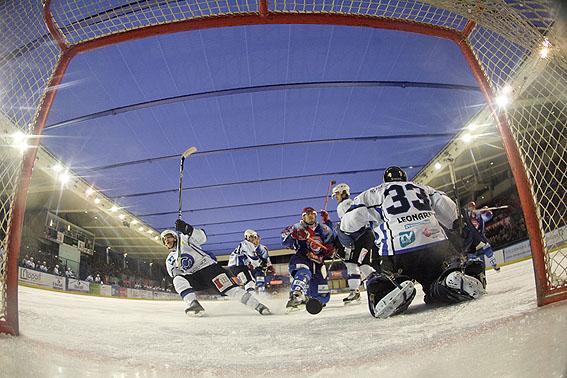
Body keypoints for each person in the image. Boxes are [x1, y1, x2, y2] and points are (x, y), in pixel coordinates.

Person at [340, 166, 485, 319]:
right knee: (436, 280)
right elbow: (449, 209)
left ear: (385, 181)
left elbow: (350, 221)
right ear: (405, 179)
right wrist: (455, 227)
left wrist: (346, 236)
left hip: (398, 251)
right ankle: (448, 280)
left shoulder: (373, 194)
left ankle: (393, 287)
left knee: (389, 278)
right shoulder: (424, 188)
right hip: (436, 246)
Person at [163, 219, 271, 316]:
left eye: (169, 237)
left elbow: (202, 237)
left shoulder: (185, 240)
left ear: (175, 236)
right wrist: (176, 271)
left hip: (209, 270)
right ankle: (193, 304)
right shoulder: (169, 260)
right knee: (177, 279)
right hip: (194, 277)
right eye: (164, 240)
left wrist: (187, 229)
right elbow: (174, 274)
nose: (167, 240)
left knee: (231, 290)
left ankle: (258, 306)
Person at [332, 183, 379, 304]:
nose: (335, 197)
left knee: (357, 264)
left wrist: (341, 236)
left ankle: (377, 284)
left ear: (343, 192)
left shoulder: (345, 204)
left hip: (361, 237)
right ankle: (358, 290)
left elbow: (352, 223)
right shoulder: (347, 204)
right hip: (362, 238)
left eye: (337, 193)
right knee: (356, 263)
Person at [281, 207, 335, 311]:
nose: (310, 216)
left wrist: (330, 249)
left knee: (323, 294)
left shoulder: (324, 229)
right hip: (302, 258)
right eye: (307, 214)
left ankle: (312, 300)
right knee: (304, 273)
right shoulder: (296, 227)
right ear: (303, 217)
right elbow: (284, 242)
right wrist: (293, 236)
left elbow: (332, 242)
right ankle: (295, 296)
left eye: (313, 214)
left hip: (318, 263)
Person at [462, 201, 500, 286]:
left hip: (481, 240)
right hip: (472, 243)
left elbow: (489, 216)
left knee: (488, 252)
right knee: (475, 261)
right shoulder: (466, 218)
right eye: (470, 207)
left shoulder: (479, 216)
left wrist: (488, 210)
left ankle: (494, 265)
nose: (471, 208)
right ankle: (475, 279)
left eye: (473, 207)